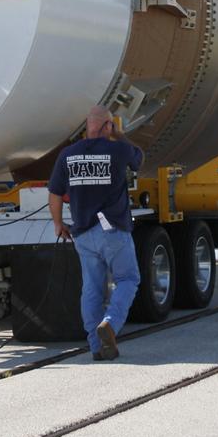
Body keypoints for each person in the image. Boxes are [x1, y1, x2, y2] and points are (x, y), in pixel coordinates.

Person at [48, 105, 143, 361]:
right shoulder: (118, 149)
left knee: (91, 289)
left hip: (83, 233)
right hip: (112, 230)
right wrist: (120, 135)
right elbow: (138, 159)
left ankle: (96, 346)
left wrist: (58, 224)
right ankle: (110, 324)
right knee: (127, 279)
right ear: (108, 126)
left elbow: (55, 193)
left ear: (87, 126)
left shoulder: (68, 155)